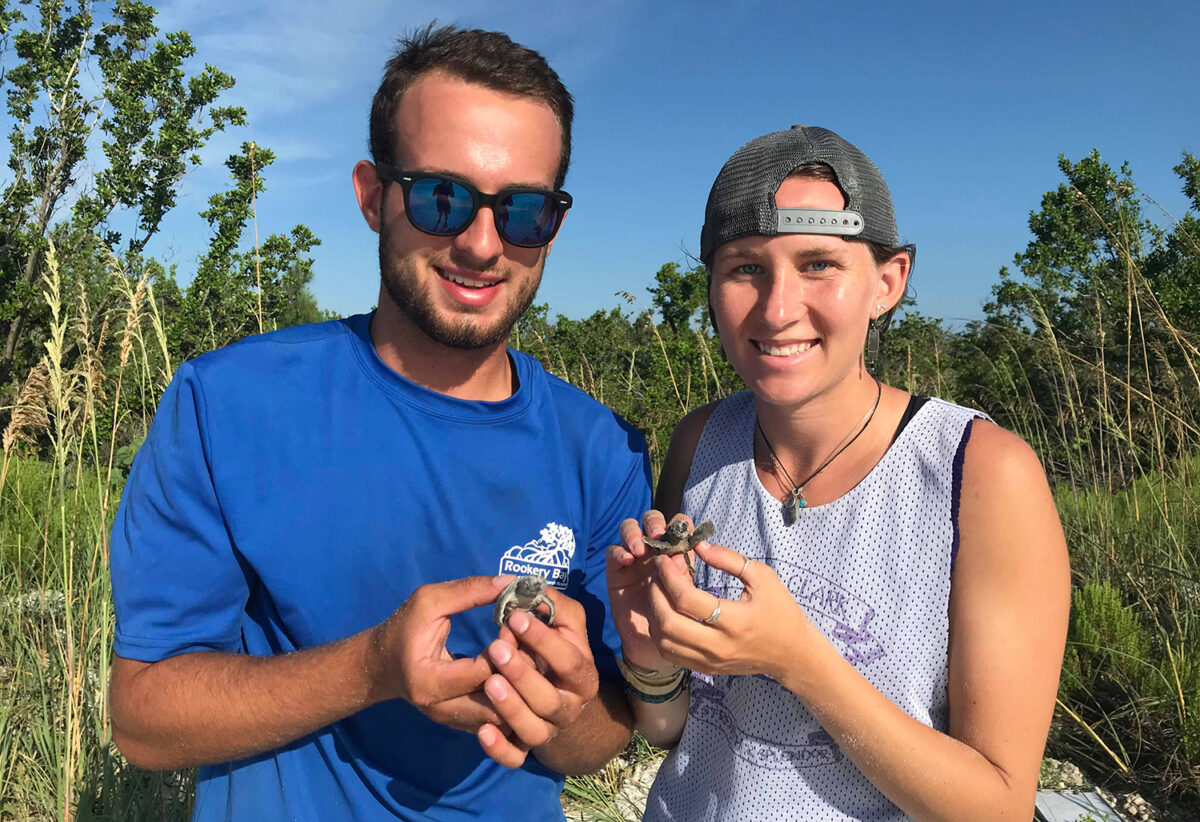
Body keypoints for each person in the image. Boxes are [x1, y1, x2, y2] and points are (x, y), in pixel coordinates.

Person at [107, 24, 651, 822]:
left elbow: (605, 731)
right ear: (372, 196)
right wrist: (373, 668)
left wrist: (564, 711)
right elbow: (143, 717)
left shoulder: (601, 449)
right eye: (442, 197)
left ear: (554, 226)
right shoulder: (228, 405)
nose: (480, 243)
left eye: (523, 211)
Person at [607, 125, 1070, 821]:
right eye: (744, 268)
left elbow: (998, 806)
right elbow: (673, 730)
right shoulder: (701, 443)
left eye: (819, 264)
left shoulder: (980, 472)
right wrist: (651, 661)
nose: (779, 307)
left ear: (889, 282)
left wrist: (800, 662)